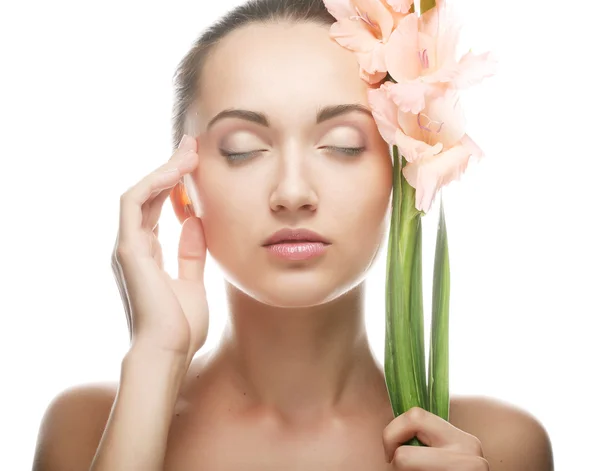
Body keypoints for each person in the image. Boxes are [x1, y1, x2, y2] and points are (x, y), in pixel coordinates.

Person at [32, 0, 554, 469]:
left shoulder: (495, 446)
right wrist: (156, 358)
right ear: (182, 190)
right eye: (241, 148)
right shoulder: (89, 431)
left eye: (344, 144)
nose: (293, 191)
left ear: (401, 174)